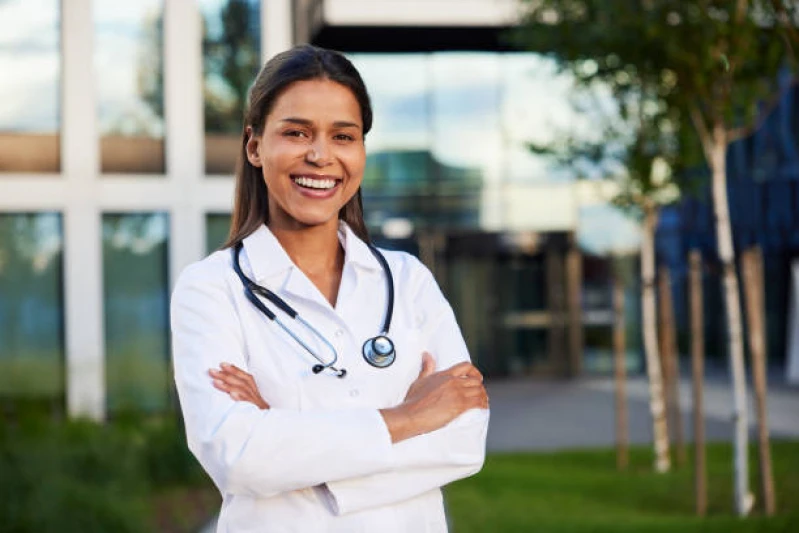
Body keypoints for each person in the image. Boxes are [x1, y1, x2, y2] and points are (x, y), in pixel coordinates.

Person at [170, 44, 489, 533]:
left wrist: (289, 444)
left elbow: (464, 438)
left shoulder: (408, 281)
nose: (320, 156)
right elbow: (238, 456)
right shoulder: (211, 289)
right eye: (296, 133)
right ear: (255, 146)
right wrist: (408, 416)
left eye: (344, 136)